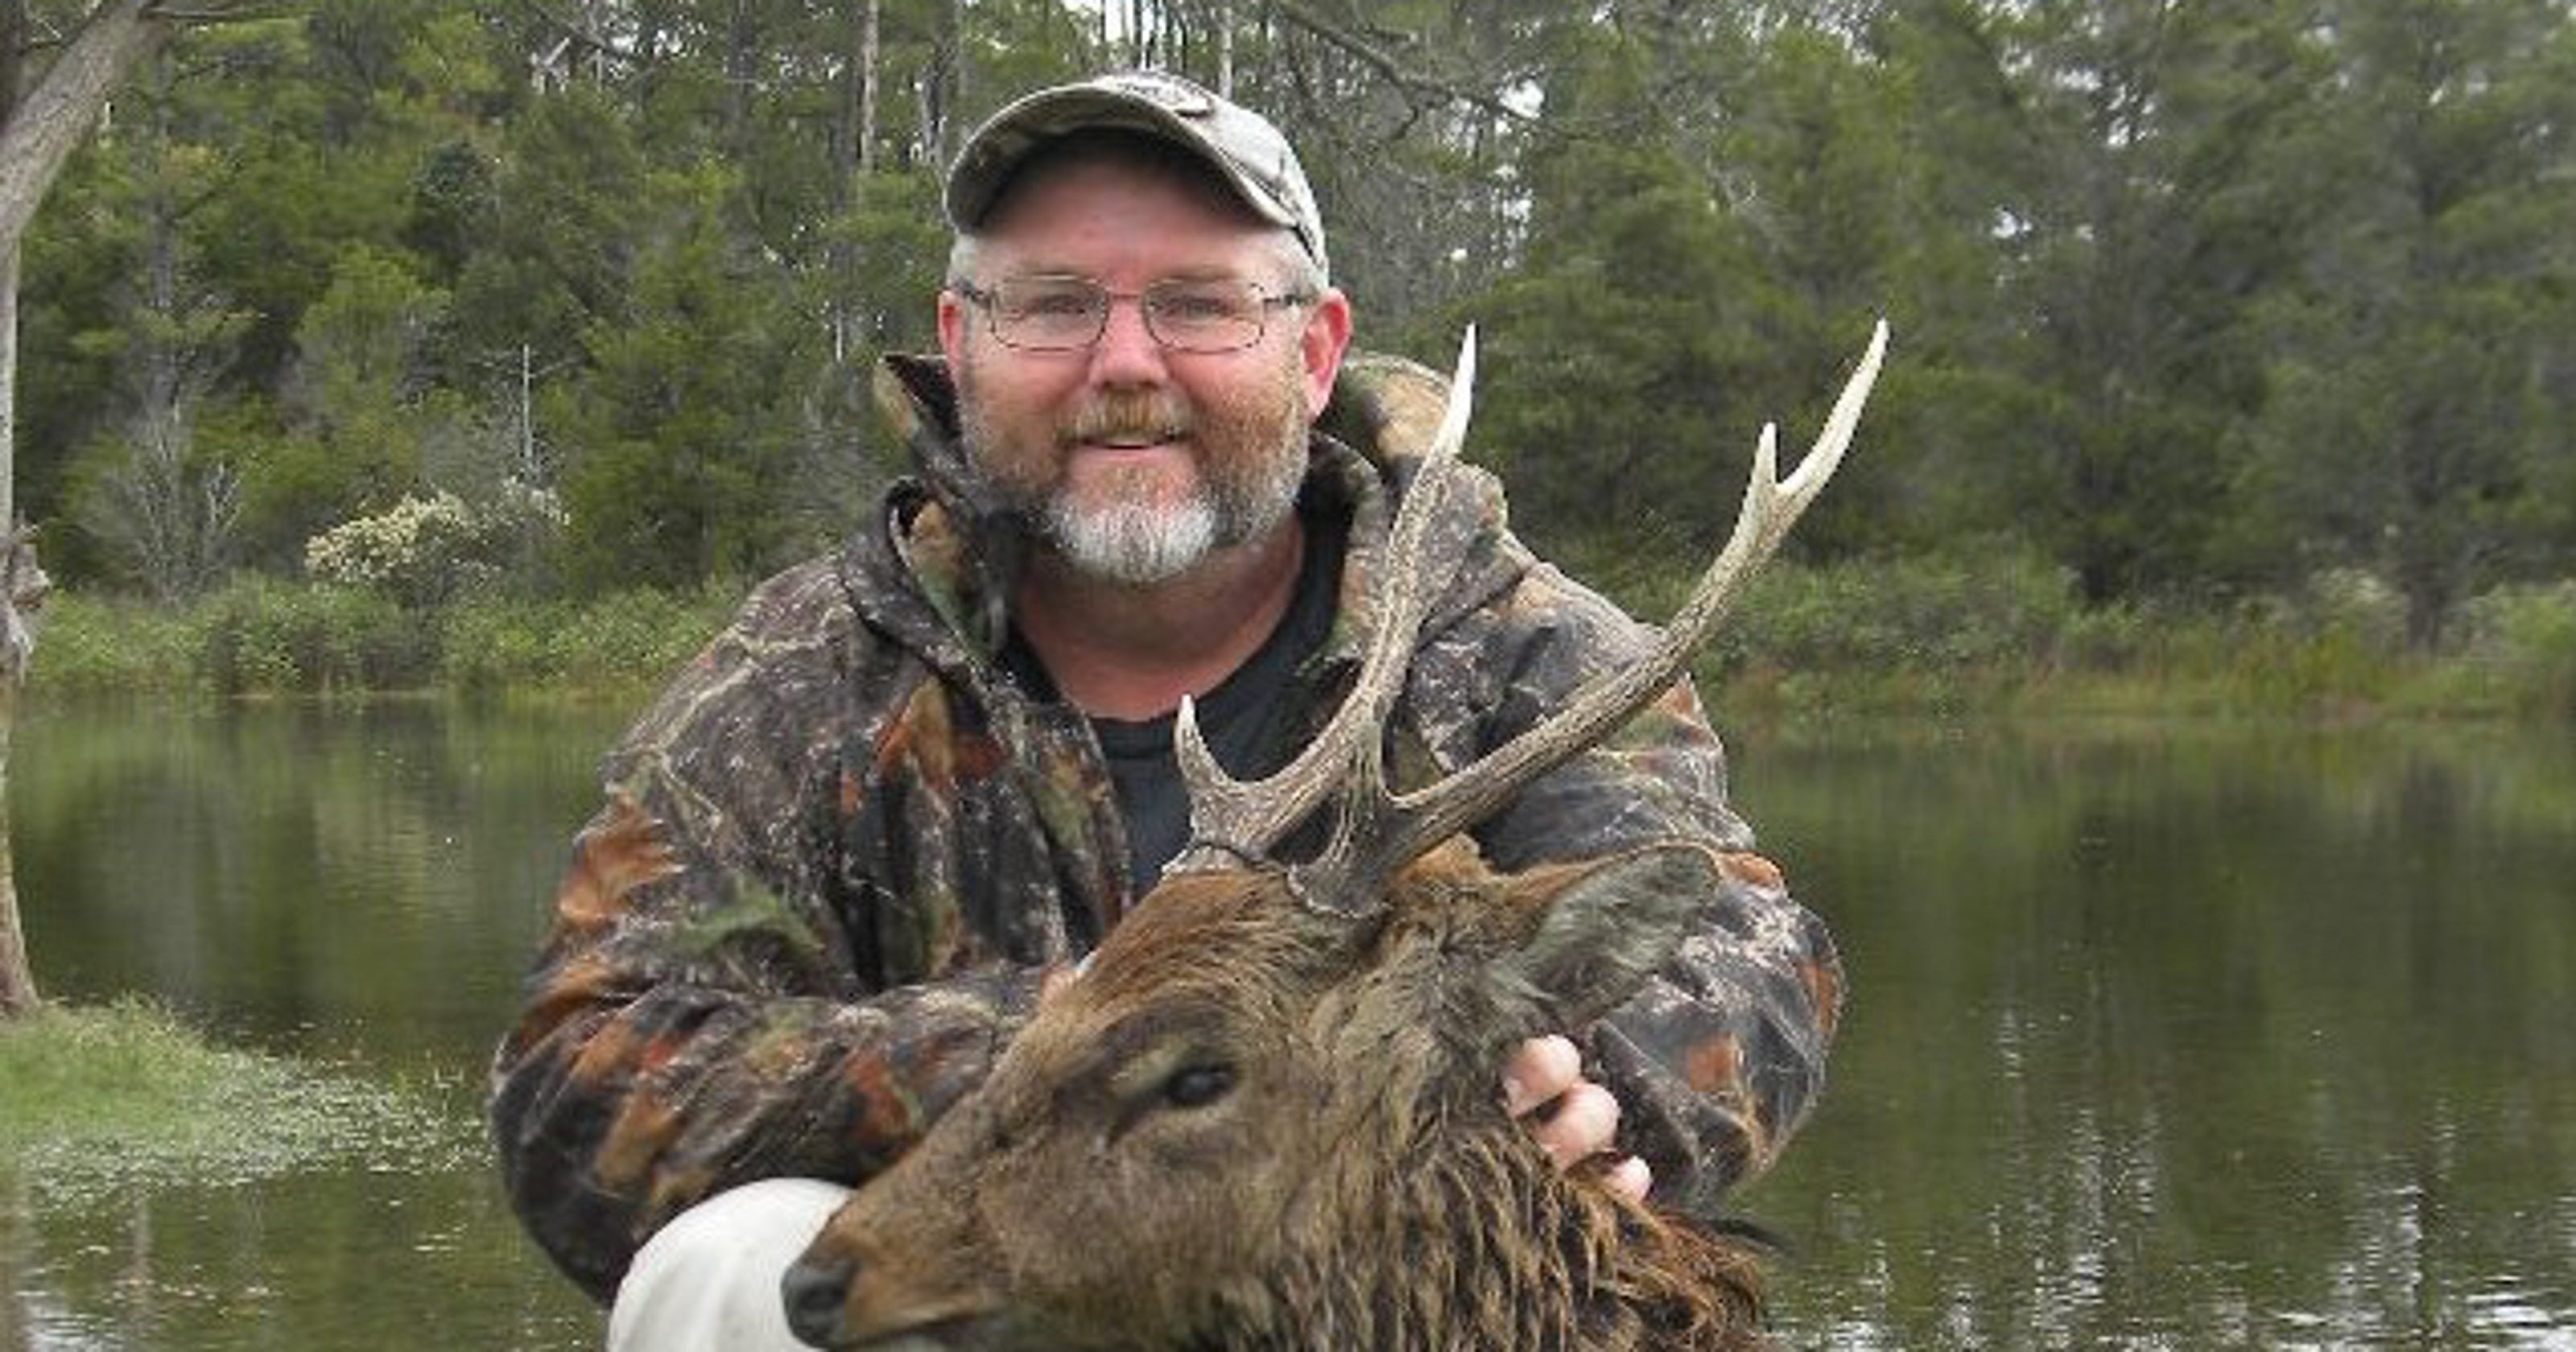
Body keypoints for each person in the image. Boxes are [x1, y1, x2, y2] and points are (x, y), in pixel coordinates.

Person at [488, 70, 1842, 1350]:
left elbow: (1745, 938)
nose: (1125, 365)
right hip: (983, 1287)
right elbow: (575, 1088)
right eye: (1056, 305)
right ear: (962, 347)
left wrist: (1590, 1076)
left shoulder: (1514, 647)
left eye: (1198, 305)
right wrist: (1062, 1049)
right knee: (729, 1271)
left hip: (1362, 1297)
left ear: (1313, 352)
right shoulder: (802, 679)